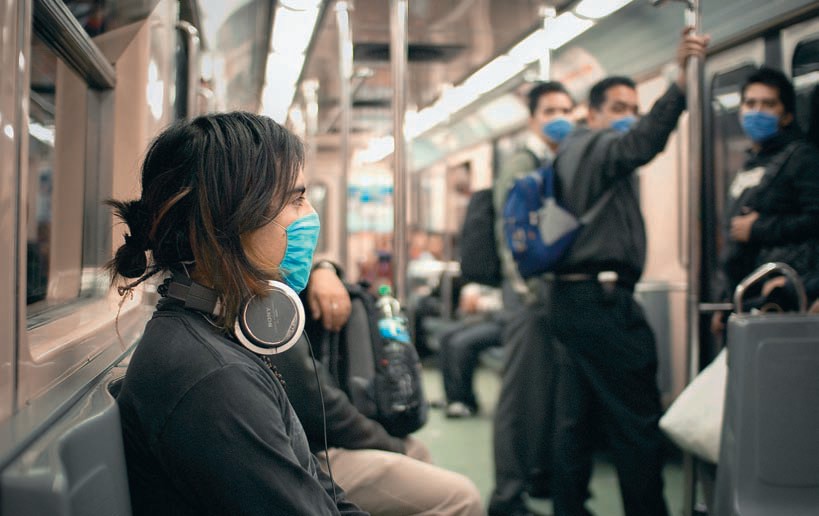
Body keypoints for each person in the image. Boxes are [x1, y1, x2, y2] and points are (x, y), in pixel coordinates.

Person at [112, 112, 366, 515]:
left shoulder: (213, 331)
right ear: (228, 220)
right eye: (295, 200)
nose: (309, 216)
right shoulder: (214, 378)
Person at [546, 29, 710, 516]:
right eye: (619, 108)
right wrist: (679, 87)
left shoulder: (569, 151)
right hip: (603, 304)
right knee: (636, 420)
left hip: (571, 300)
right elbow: (642, 143)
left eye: (634, 109)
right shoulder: (596, 146)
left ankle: (569, 508)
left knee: (575, 419)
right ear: (593, 113)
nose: (628, 118)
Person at [269, 266, 485, 516]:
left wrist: (324, 268)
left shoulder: (270, 292)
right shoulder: (266, 309)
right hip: (300, 457)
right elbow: (317, 404)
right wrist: (386, 442)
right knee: (462, 498)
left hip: (306, 443)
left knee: (415, 451)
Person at [488, 81, 576, 516]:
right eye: (550, 111)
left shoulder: (557, 160)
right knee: (521, 396)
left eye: (566, 110)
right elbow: (510, 233)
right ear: (533, 119)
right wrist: (525, 289)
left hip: (547, 293)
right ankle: (507, 496)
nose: (559, 119)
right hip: (528, 294)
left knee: (548, 393)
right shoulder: (522, 162)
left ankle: (538, 477)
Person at [711, 67, 819, 332]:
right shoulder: (751, 164)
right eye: (750, 103)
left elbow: (815, 219)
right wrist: (725, 301)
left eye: (768, 104)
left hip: (781, 292)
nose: (757, 111)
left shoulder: (800, 158)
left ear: (786, 115)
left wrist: (759, 228)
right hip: (747, 293)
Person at [435, 282, 504, 418]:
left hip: (507, 323)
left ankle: (466, 402)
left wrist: (485, 303)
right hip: (490, 317)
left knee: (461, 344)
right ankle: (452, 398)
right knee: (445, 337)